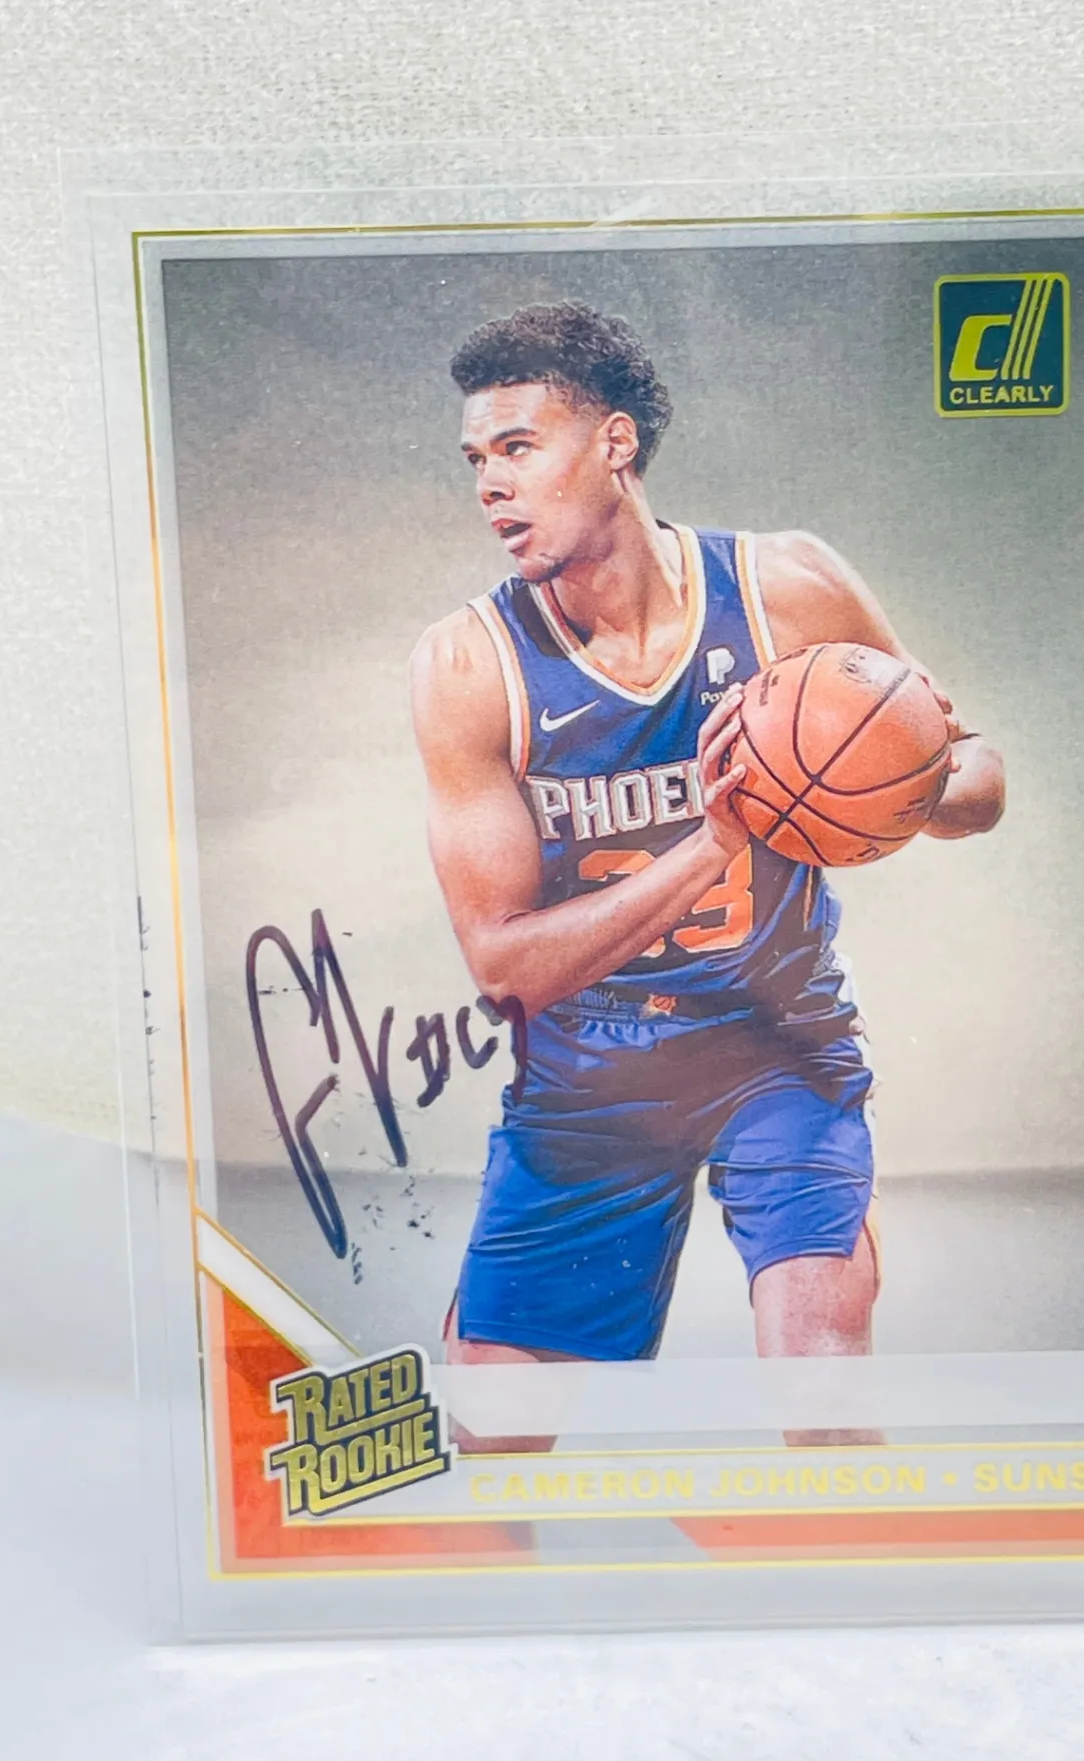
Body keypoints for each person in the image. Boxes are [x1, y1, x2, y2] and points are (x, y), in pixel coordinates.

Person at [410, 301, 1005, 1450]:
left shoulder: (788, 586)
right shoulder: (469, 667)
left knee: (824, 1392)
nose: (490, 483)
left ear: (616, 443)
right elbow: (504, 967)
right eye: (476, 460)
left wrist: (891, 779)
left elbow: (979, 777)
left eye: (518, 447)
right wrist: (717, 840)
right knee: (491, 1434)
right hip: (587, 1081)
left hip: (776, 1045)